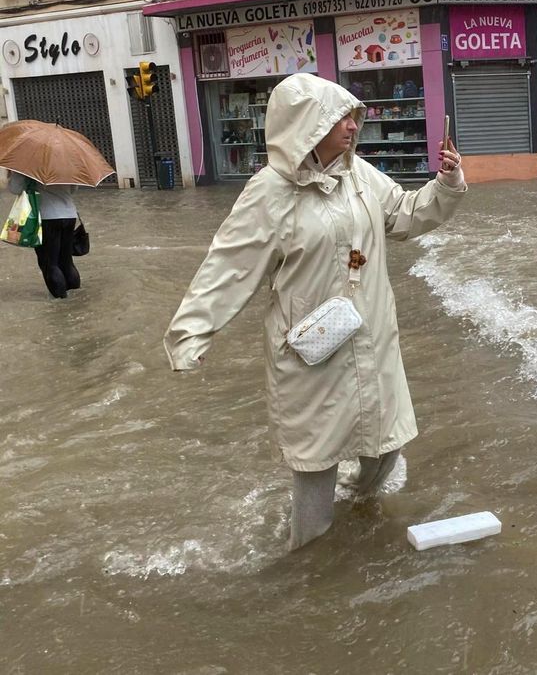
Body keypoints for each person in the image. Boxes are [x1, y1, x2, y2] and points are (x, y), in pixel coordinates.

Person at [163, 73, 467, 551]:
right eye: (339, 118)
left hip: (371, 337)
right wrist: (192, 333)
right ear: (307, 126)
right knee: (315, 462)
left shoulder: (359, 175)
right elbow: (228, 265)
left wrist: (445, 185)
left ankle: (358, 510)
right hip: (312, 352)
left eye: (352, 117)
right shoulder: (269, 193)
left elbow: (404, 214)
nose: (352, 126)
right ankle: (307, 561)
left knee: (385, 444)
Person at [6, 171, 80, 298]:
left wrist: (13, 174)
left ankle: (61, 302)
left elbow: (15, 188)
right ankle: (76, 298)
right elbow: (73, 189)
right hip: (69, 215)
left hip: (47, 217)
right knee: (66, 260)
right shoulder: (65, 164)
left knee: (49, 263)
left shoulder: (29, 166)